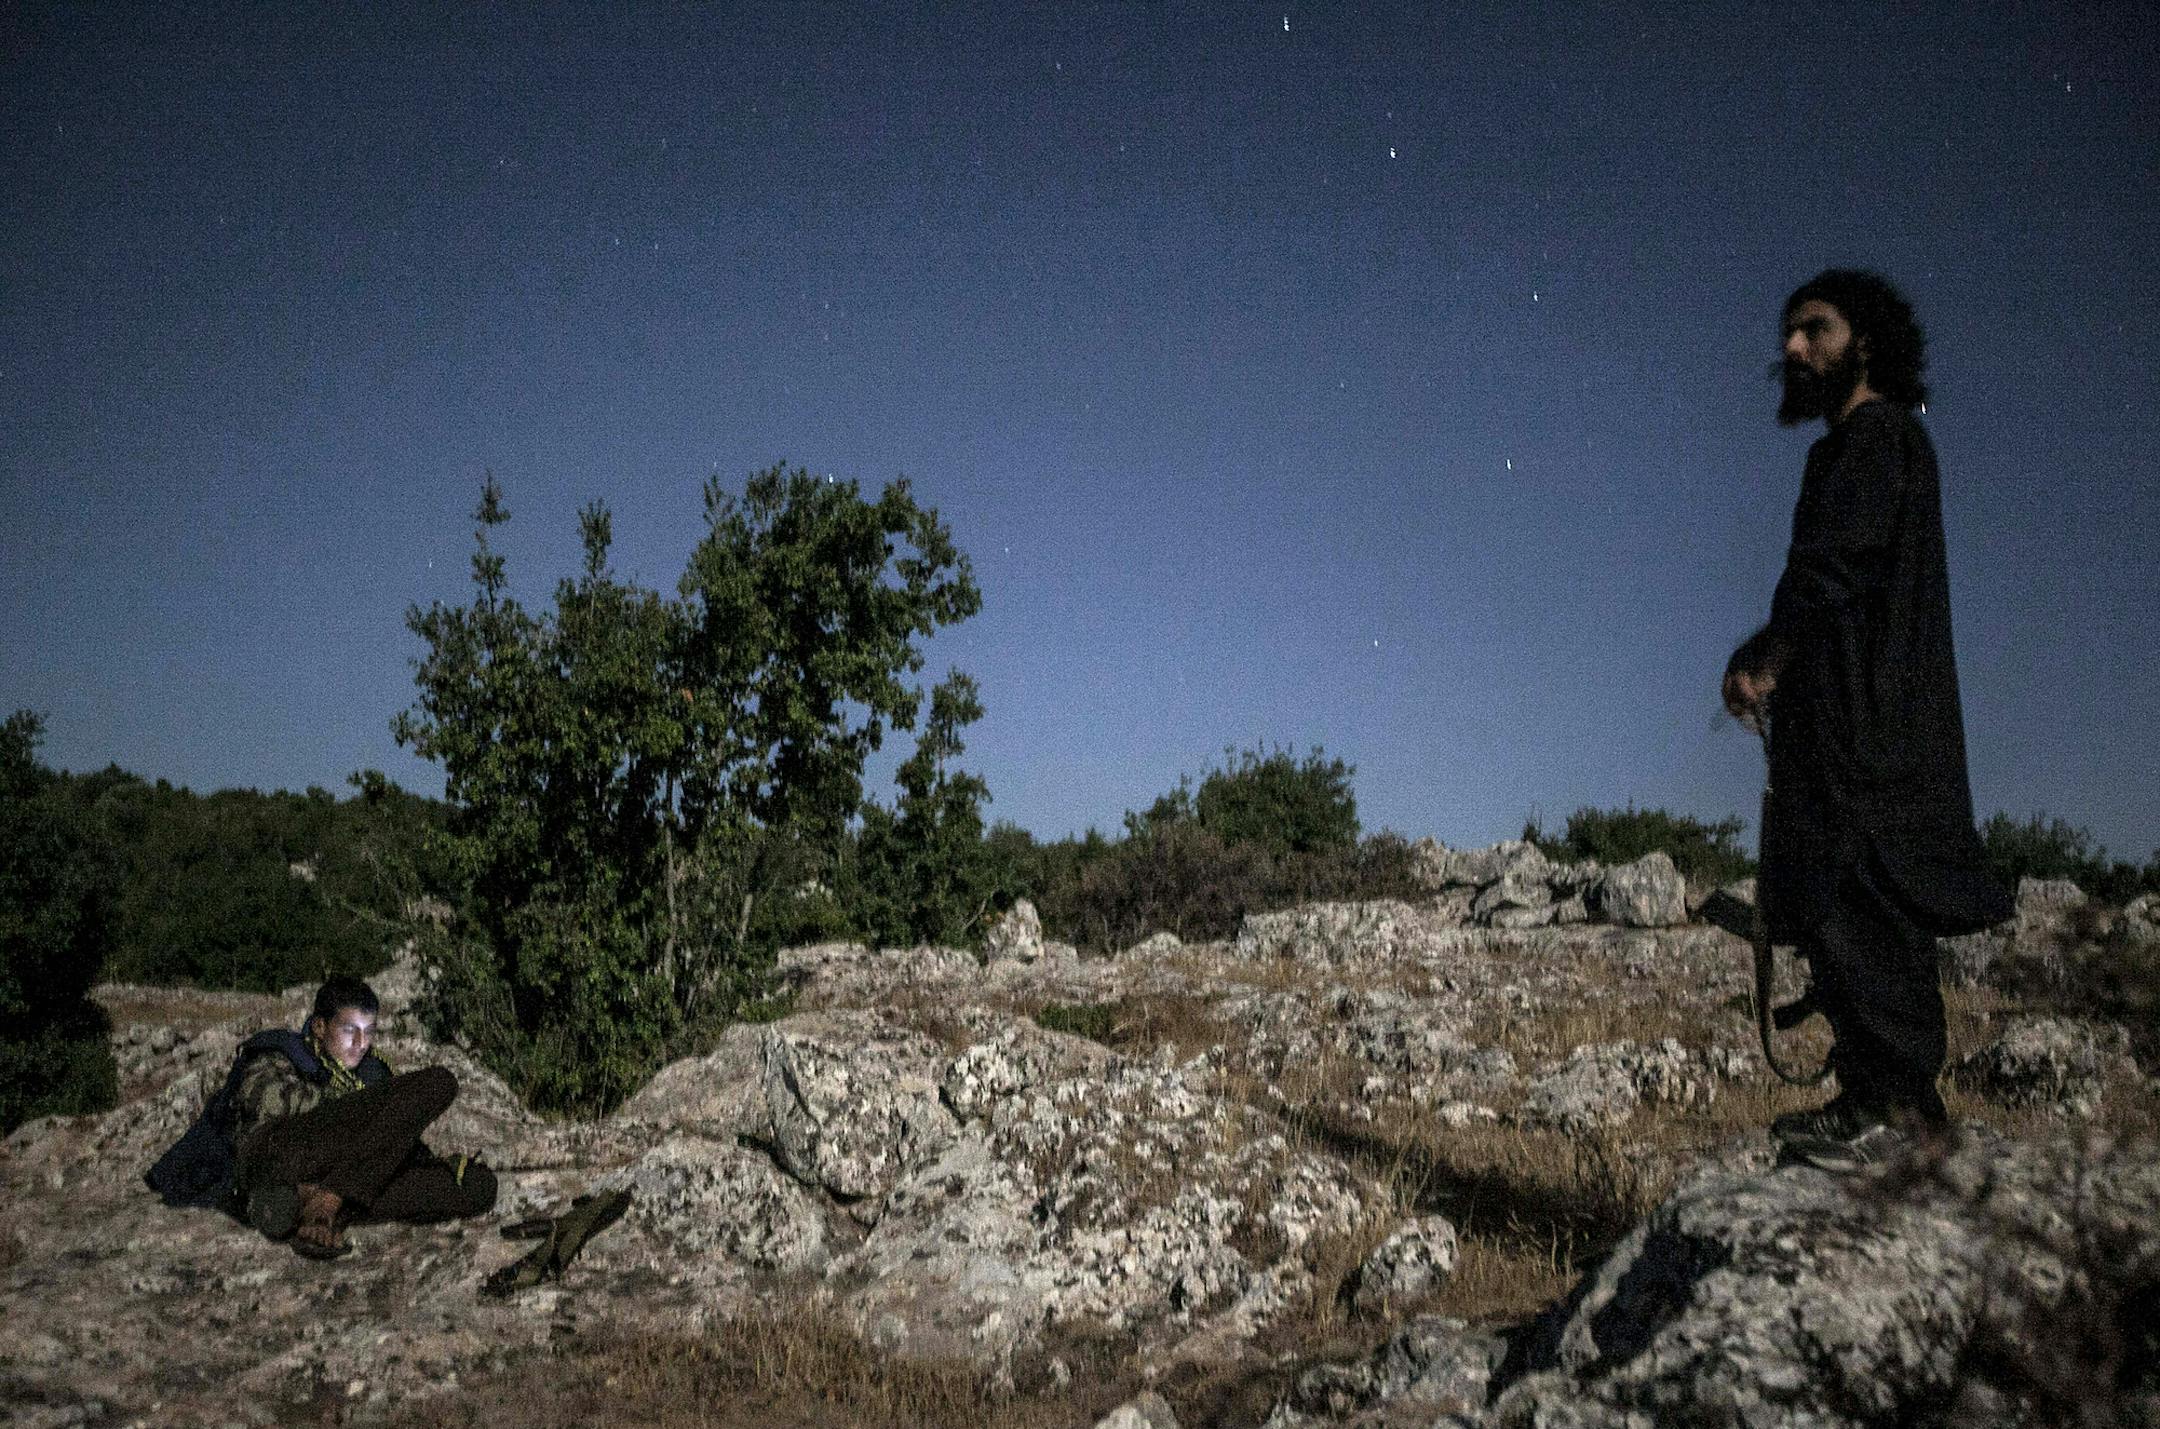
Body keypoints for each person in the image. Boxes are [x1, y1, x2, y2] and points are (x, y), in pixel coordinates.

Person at [1723, 269, 2011, 1170]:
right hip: (1851, 723)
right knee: (1840, 900)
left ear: (1868, 341)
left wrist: (1764, 661)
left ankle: (1895, 1107)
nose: (1794, 350)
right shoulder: (1860, 449)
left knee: (1861, 896)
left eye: (1815, 329)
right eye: (1789, 334)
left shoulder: (1877, 439)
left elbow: (1835, 571)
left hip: (1867, 730)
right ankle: (1881, 1099)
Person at [226, 974, 496, 1258]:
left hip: (344, 1170)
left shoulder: (372, 1071)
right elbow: (263, 1099)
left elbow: (390, 1140)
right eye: (349, 1030)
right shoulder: (287, 1053)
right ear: (320, 1026)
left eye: (368, 1031)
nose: (361, 1042)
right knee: (439, 1082)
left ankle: (312, 1205)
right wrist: (352, 1106)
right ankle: (329, 1201)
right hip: (280, 1153)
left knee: (478, 1186)